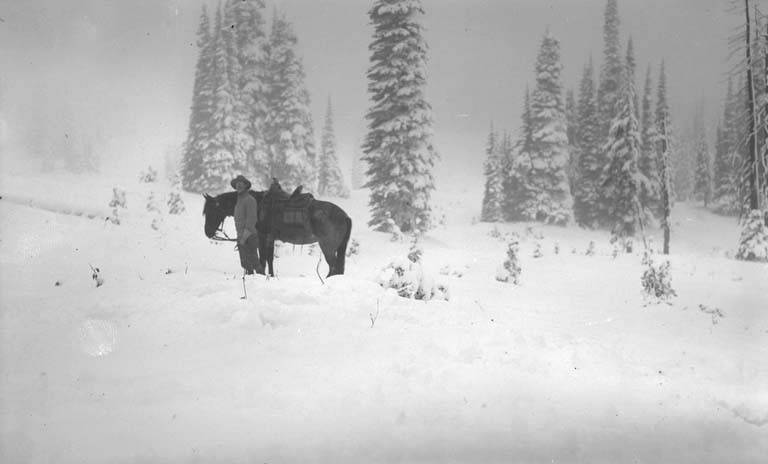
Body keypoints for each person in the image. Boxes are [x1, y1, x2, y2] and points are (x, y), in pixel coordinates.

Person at [231, 175, 263, 275]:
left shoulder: (250, 200)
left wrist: (243, 238)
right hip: (241, 236)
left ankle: (263, 282)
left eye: (241, 184)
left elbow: (251, 220)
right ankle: (251, 284)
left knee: (254, 262)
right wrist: (240, 237)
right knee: (246, 264)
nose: (239, 186)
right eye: (237, 184)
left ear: (245, 186)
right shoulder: (238, 202)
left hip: (249, 236)